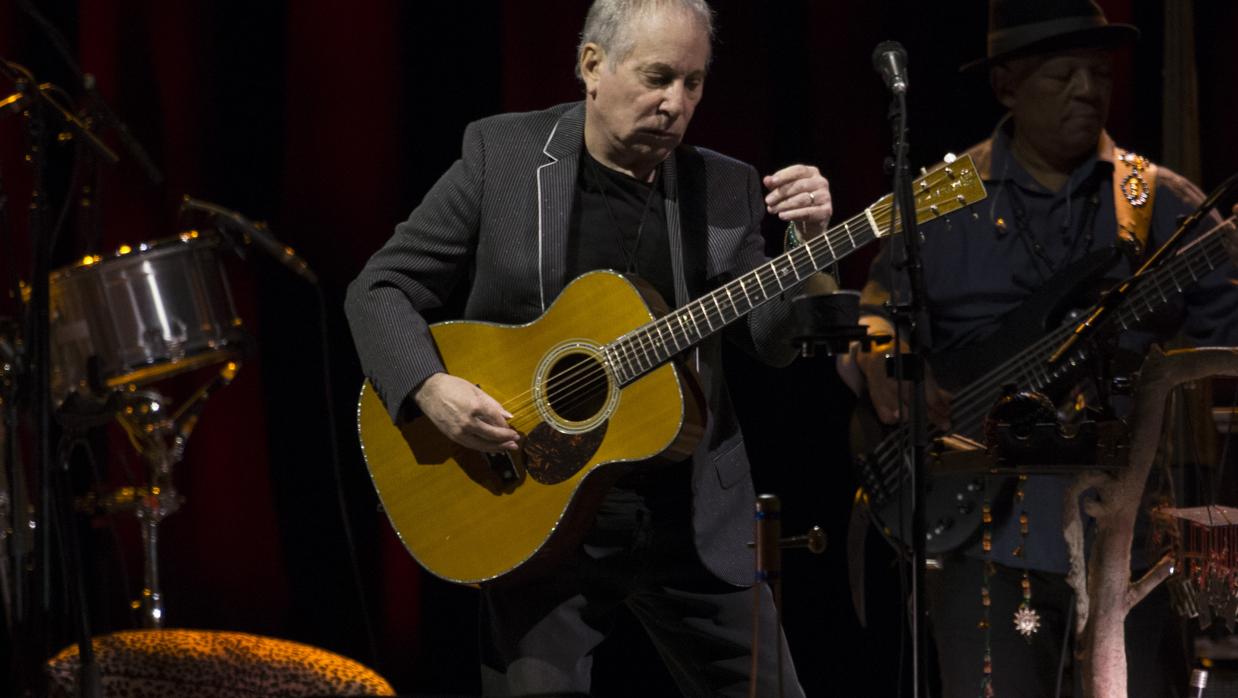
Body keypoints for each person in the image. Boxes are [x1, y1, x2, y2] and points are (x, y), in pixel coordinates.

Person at [345, 1, 833, 695]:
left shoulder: (722, 187)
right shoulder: (503, 156)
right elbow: (378, 289)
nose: (676, 103)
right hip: (535, 507)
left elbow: (773, 343)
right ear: (592, 66)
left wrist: (810, 250)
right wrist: (429, 388)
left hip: (691, 519)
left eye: (693, 83)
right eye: (658, 76)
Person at [839, 1, 1238, 696]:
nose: (1088, 91)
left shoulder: (1160, 200)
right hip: (976, 535)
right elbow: (875, 316)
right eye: (1063, 75)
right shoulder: (940, 199)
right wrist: (884, 366)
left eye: (1099, 74)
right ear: (1007, 86)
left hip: (1131, 541)